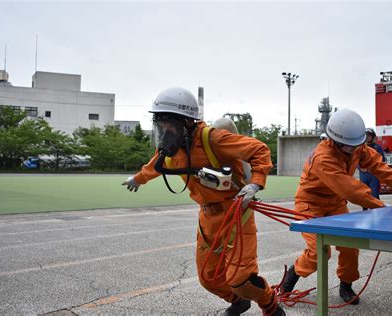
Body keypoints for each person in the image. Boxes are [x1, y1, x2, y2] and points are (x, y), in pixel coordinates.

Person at [122, 87, 285, 316]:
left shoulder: (213, 139)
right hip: (207, 218)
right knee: (209, 278)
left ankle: (270, 305)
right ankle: (239, 301)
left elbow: (259, 150)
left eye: (170, 124)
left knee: (241, 279)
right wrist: (139, 179)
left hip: (237, 212)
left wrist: (255, 183)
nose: (165, 131)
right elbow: (156, 165)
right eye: (162, 124)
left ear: (187, 122)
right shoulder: (174, 149)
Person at [281, 108, 392, 305]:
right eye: (351, 146)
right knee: (318, 252)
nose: (356, 149)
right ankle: (290, 279)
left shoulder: (354, 145)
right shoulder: (323, 158)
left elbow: (377, 164)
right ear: (336, 141)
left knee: (350, 244)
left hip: (335, 202)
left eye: (358, 145)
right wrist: (381, 205)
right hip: (310, 203)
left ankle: (346, 285)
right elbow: (350, 190)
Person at [358, 128, 386, 200]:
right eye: (366, 136)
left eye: (369, 136)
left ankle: (376, 211)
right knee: (364, 195)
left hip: (374, 175)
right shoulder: (360, 148)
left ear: (373, 137)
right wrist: (360, 168)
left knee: (374, 195)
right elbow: (355, 160)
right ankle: (364, 211)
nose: (368, 137)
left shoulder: (378, 148)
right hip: (363, 174)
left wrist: (374, 168)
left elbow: (382, 160)